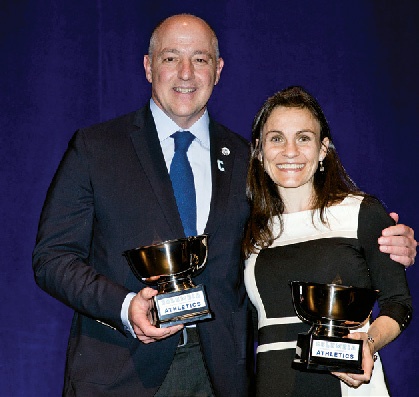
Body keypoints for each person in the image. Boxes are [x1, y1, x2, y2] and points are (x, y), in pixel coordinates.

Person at [32, 14, 416, 397]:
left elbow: (301, 233)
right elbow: (52, 258)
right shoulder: (96, 148)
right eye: (170, 58)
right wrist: (125, 305)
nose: (186, 73)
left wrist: (385, 241)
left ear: (217, 70)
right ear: (149, 67)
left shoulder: (247, 161)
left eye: (199, 59)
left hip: (219, 378)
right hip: (120, 375)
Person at [242, 86, 413, 396]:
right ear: (259, 150)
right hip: (273, 385)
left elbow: (398, 304)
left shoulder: (361, 212)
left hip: (348, 384)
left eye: (303, 138)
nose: (290, 151)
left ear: (323, 149)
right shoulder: (251, 231)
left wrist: (368, 344)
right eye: (276, 138)